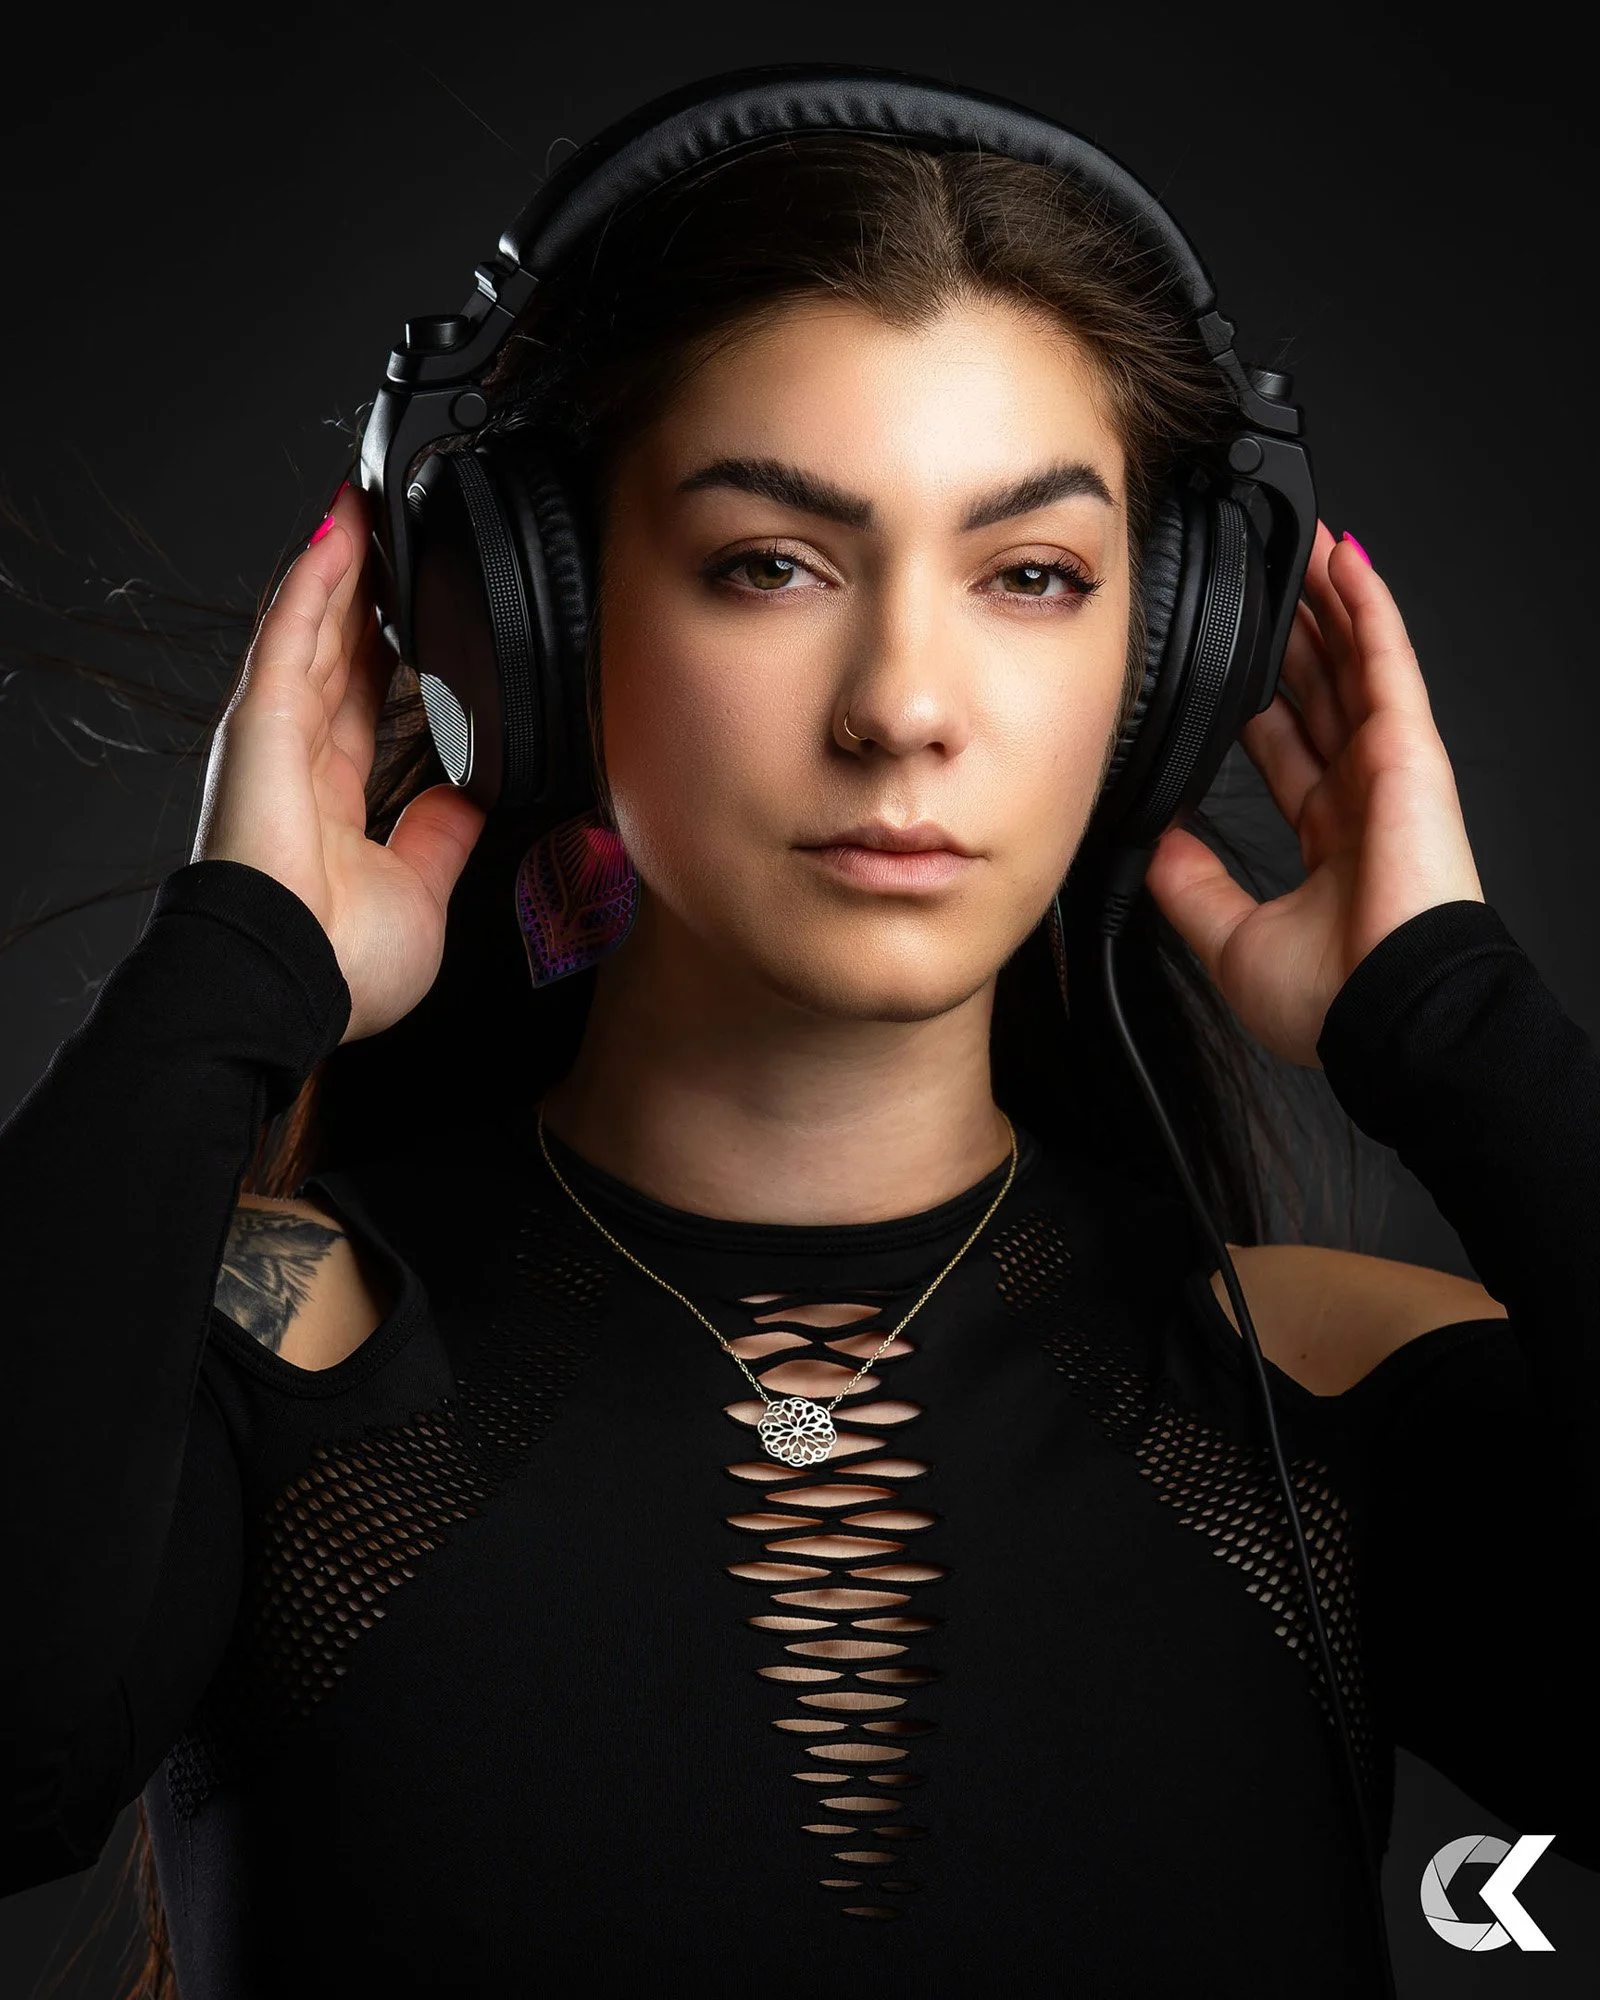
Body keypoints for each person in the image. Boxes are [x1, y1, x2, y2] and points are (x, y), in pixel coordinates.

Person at [2, 102, 1596, 2000]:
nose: (907, 707)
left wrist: (1456, 1023)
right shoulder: (287, 1362)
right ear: (534, 625)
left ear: (1170, 663)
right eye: (771, 561)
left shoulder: (1314, 1396)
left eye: (1033, 576)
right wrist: (236, 962)